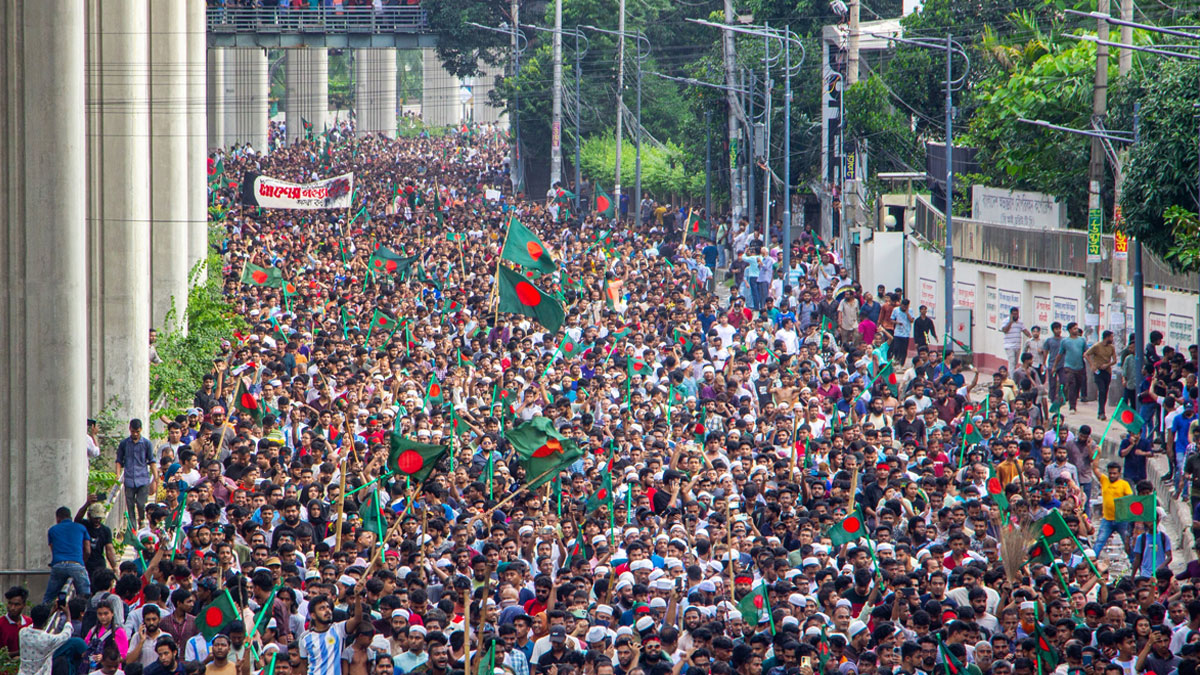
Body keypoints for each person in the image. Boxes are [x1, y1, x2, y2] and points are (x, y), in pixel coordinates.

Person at [43, 506, 91, 603]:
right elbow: (88, 550)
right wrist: (81, 562)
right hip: (76, 565)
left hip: (58, 565)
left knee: (49, 597)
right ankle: (84, 614)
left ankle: (45, 613)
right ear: (70, 517)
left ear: (58, 518)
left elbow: (53, 550)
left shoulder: (52, 530)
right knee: (85, 596)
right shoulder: (81, 528)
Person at [115, 419, 157, 528]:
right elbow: (119, 460)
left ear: (141, 430)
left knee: (141, 503)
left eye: (137, 432)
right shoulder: (124, 444)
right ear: (130, 429)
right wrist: (117, 474)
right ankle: (133, 527)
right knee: (130, 505)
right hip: (129, 478)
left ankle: (141, 519)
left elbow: (151, 460)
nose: (135, 434)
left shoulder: (146, 443)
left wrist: (156, 477)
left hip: (142, 478)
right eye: (133, 431)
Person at [17, 600, 75, 675]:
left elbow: (34, 624)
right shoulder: (48, 639)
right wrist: (68, 615)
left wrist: (50, 613)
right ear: (45, 622)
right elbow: (66, 634)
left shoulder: (22, 632)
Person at [1085, 330, 1118, 420]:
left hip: (1107, 371)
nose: (1112, 339)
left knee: (1105, 391)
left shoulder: (1111, 347)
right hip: (1098, 371)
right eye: (1111, 337)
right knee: (1101, 390)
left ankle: (1102, 410)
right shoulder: (1097, 346)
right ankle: (1101, 412)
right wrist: (1092, 365)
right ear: (1106, 337)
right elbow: (1086, 354)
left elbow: (1115, 360)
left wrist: (1107, 365)